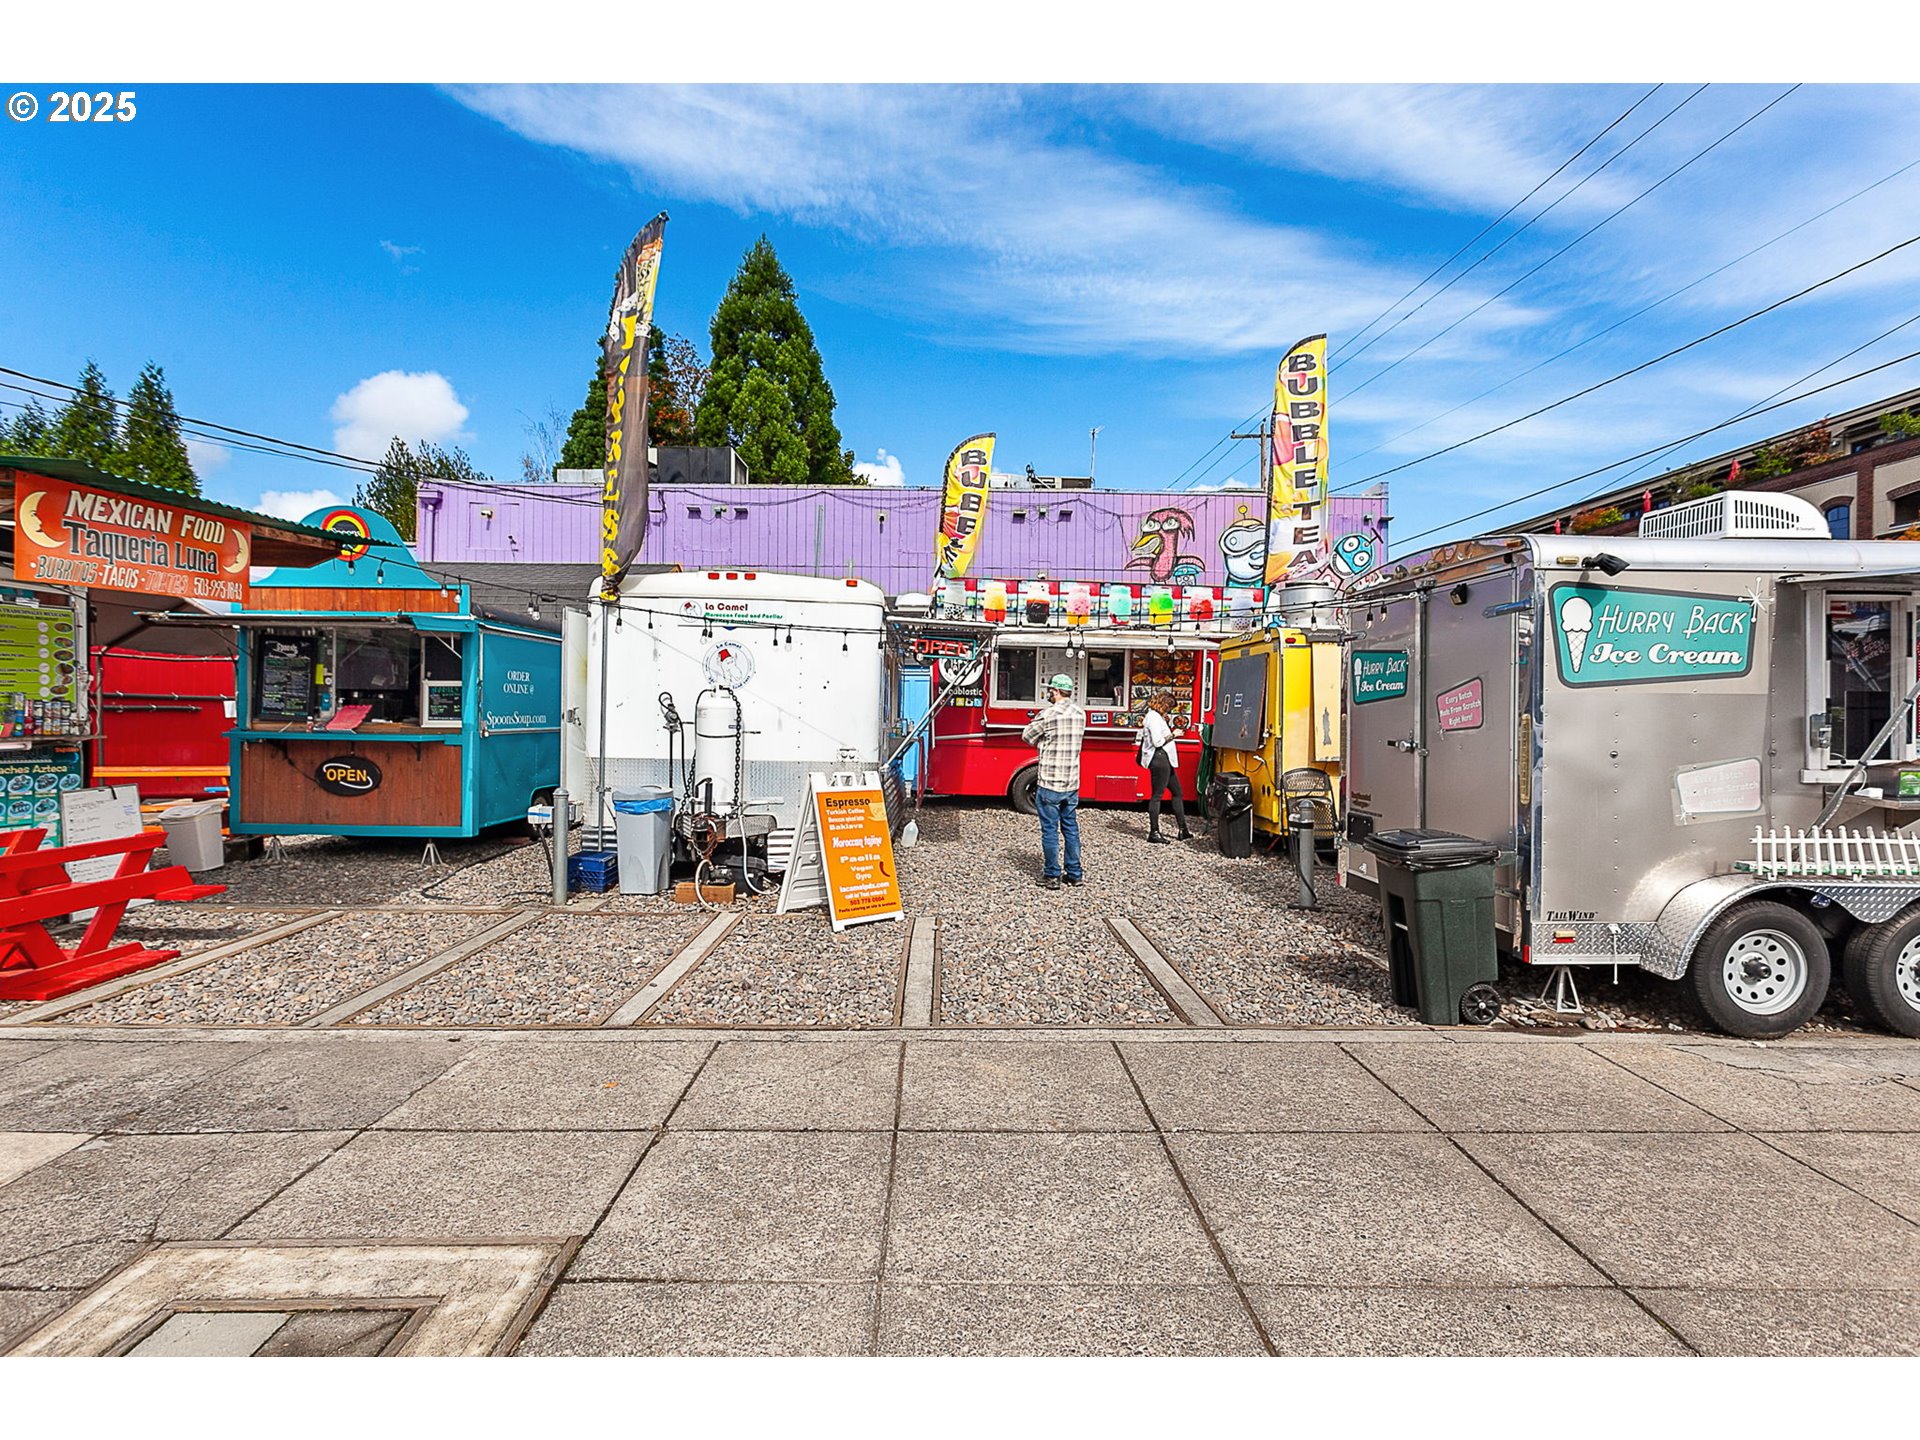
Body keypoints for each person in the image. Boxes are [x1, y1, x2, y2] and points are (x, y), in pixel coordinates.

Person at [1021, 671, 1086, 890]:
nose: (1048, 693)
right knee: (1071, 828)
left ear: (1055, 691)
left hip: (1050, 781)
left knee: (1049, 829)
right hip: (1071, 781)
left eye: (1050, 690)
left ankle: (1052, 875)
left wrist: (1043, 742)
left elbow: (1027, 736)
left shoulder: (1047, 714)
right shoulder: (1080, 714)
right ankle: (1075, 873)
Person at [1138, 692, 1192, 843]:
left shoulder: (1155, 716)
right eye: (1169, 707)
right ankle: (1154, 832)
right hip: (1159, 759)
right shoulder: (1154, 717)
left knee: (1177, 792)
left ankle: (1183, 829)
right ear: (1164, 704)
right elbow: (1157, 742)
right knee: (1157, 796)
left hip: (1164, 759)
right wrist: (1173, 735)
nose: (1169, 711)